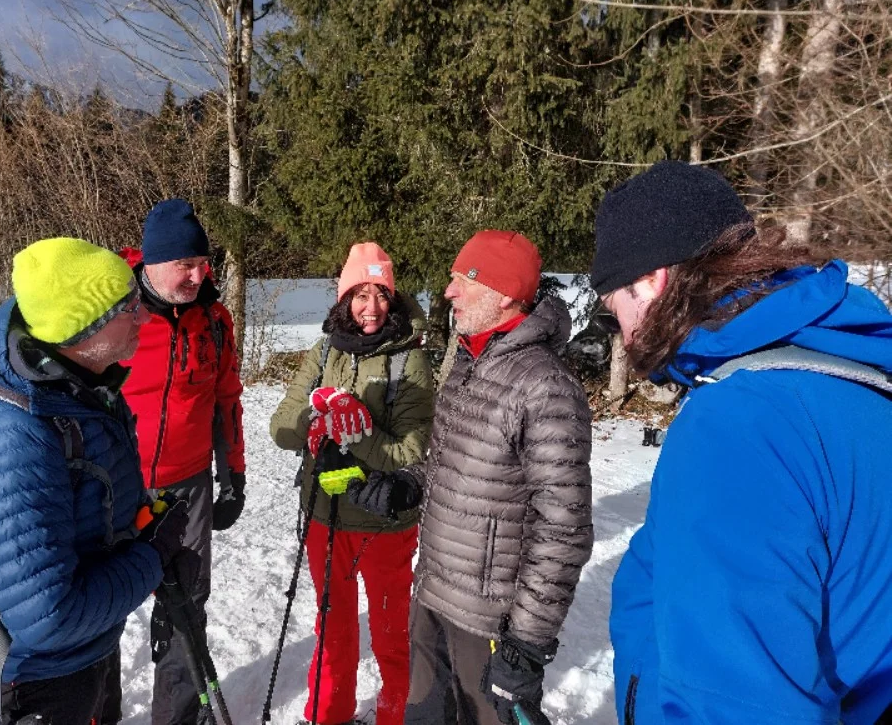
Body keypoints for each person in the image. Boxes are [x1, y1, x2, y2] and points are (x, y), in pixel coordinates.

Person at [594, 160, 892, 724]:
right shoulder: (849, 373)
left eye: (616, 316)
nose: (626, 339)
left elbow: (737, 706)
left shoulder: (740, 423)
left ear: (652, 280)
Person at [0, 237, 189, 725]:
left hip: (79, 658)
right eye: (129, 308)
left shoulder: (76, 386)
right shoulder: (14, 438)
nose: (144, 317)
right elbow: (51, 618)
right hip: (26, 682)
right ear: (82, 327)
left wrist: (142, 528)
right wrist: (152, 557)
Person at [349, 231, 594, 725]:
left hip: (489, 617)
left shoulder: (545, 386)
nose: (448, 292)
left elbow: (563, 527)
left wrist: (526, 642)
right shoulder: (469, 359)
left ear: (504, 294)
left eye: (463, 280)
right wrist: (407, 483)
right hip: (434, 594)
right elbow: (445, 456)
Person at [270, 242, 436, 725]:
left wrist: (358, 430)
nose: (372, 308)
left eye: (381, 293)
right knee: (333, 630)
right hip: (326, 516)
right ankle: (328, 715)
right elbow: (280, 426)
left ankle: (394, 714)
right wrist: (313, 419)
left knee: (389, 634)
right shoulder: (324, 350)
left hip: (385, 522)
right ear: (344, 299)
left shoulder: (410, 361)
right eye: (361, 295)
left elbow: (410, 450)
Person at [118, 198, 246, 725]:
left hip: (187, 486)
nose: (197, 275)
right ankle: (94, 710)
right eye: (184, 265)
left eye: (202, 264)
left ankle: (175, 718)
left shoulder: (214, 320)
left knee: (186, 607)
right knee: (98, 607)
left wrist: (233, 473)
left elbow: (227, 400)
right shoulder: (115, 309)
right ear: (152, 262)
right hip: (116, 484)